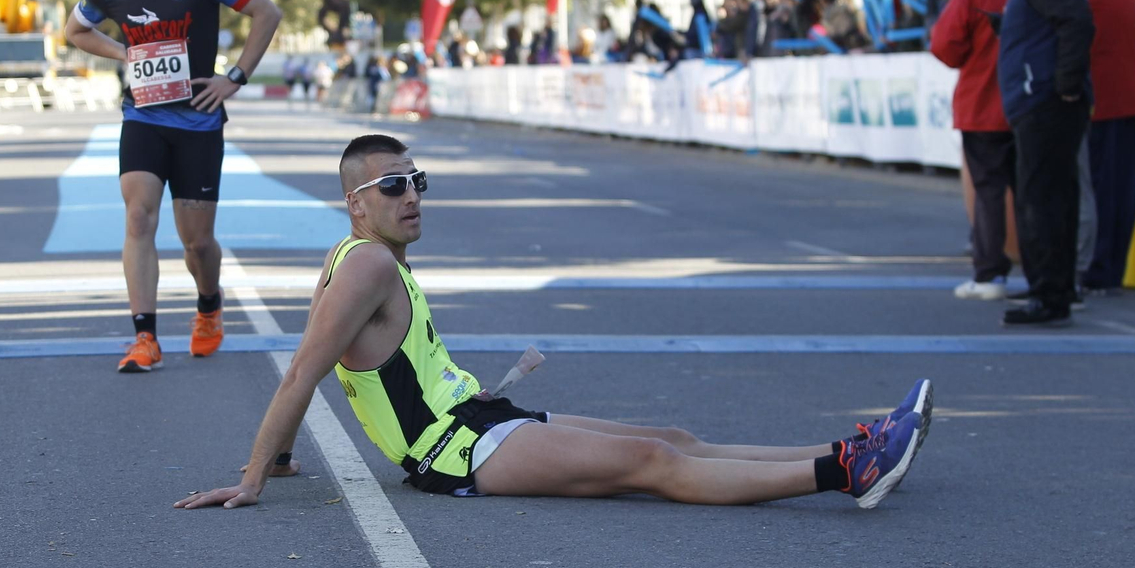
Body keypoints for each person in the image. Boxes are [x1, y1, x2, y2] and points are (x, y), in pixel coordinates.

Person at [175, 134, 931, 512]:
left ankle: (847, 445)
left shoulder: (361, 254)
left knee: (670, 436)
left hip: (476, 417)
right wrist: (253, 476)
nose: (413, 195)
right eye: (394, 185)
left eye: (419, 181)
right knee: (649, 461)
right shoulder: (368, 262)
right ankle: (847, 472)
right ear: (357, 202)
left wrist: (276, 462)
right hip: (454, 449)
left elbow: (334, 359)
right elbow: (306, 366)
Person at [63, 0, 282, 372]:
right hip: (143, 117)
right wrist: (124, 53)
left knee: (196, 243)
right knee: (138, 217)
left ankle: (208, 306)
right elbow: (75, 31)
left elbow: (267, 13)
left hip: (199, 122)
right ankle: (145, 337)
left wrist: (235, 77)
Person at [995, 0, 1094, 327]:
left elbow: (1077, 22)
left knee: (1043, 198)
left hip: (1045, 103)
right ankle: (1051, 286)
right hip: (1040, 99)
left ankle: (1049, 293)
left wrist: (1065, 84)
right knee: (1048, 196)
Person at [1055, 0, 1135, 294]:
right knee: (1121, 192)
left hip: (1105, 104)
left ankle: (1097, 269)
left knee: (1098, 193)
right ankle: (1109, 270)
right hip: (1132, 101)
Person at [931, 0, 1017, 301]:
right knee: (1034, 190)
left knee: (988, 192)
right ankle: (1044, 272)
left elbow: (945, 46)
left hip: (982, 105)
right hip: (1027, 105)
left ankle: (989, 273)